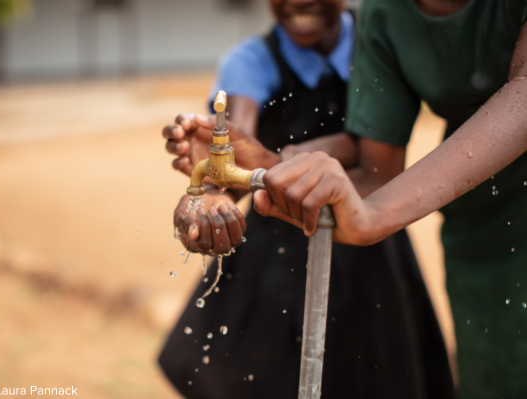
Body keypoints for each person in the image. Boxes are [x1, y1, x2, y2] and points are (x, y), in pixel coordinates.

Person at [159, 1, 454, 398]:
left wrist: (282, 159)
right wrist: (212, 193)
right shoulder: (250, 60)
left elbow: (379, 150)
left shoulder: (381, 36)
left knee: (377, 375)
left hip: (368, 242)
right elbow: (234, 144)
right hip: (279, 255)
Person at [251, 0, 527, 398]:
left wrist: (374, 216)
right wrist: (269, 168)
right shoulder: (384, 13)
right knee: (495, 374)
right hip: (482, 224)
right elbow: (378, 174)